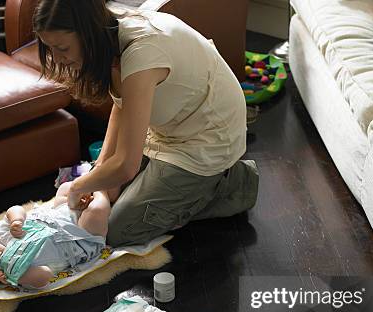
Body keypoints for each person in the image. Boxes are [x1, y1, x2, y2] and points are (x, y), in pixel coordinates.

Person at [33, 0, 259, 247]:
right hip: (167, 128)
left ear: (87, 35)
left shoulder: (142, 51)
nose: (57, 58)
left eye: (62, 48)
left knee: (118, 230)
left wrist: (78, 186)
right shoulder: (108, 31)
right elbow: (122, 104)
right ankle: (180, 191)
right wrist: (100, 169)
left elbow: (126, 167)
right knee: (107, 196)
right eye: (49, 48)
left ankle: (233, 183)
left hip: (205, 142)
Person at [0, 183, 109, 290]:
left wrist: (16, 219)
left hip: (58, 213)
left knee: (66, 187)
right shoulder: (16, 275)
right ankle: (103, 189)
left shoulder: (2, 237)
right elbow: (45, 276)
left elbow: (14, 209)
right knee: (96, 211)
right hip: (79, 237)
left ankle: (90, 188)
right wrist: (19, 276)